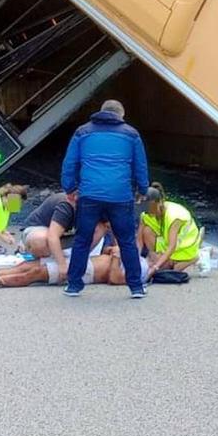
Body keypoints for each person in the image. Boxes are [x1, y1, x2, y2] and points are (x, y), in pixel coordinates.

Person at [61, 99, 150, 298]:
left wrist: (70, 187)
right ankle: (136, 286)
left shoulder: (82, 132)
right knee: (127, 240)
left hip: (90, 194)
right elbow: (140, 166)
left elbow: (70, 163)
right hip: (120, 195)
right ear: (121, 115)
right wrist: (142, 189)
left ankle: (74, 285)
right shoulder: (131, 134)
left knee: (82, 240)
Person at [139, 182, 203, 275]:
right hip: (167, 242)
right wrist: (135, 259)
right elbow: (139, 241)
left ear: (159, 202)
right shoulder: (146, 214)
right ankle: (159, 259)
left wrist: (155, 267)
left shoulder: (174, 216)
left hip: (184, 247)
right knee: (147, 231)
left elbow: (171, 247)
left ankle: (194, 258)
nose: (149, 213)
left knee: (166, 271)